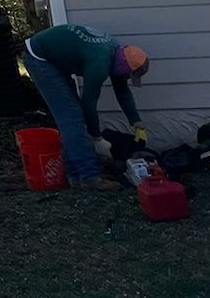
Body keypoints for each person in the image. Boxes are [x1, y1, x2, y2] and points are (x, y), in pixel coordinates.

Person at [20, 24, 149, 189]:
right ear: (123, 67)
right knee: (71, 116)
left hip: (55, 58)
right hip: (40, 58)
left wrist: (137, 123)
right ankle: (89, 177)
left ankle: (75, 176)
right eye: (128, 75)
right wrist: (97, 138)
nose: (126, 79)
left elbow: (122, 92)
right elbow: (89, 103)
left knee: (72, 116)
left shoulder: (117, 53)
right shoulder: (100, 63)